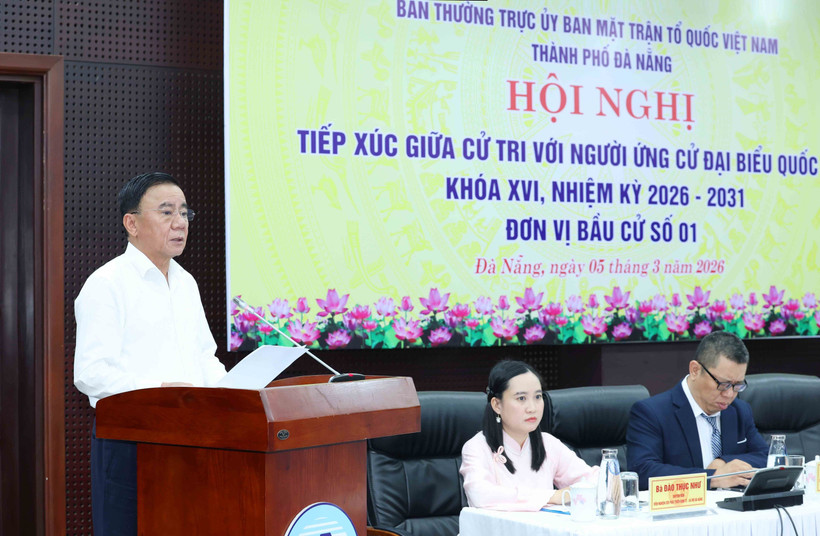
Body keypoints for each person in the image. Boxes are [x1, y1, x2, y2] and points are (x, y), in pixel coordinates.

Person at [74, 172, 227, 535]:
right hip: (131, 440)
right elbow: (91, 372)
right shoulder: (106, 284)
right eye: (166, 212)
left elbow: (205, 356)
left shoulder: (186, 282)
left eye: (185, 213)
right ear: (132, 223)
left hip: (192, 435)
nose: (180, 223)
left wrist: (236, 394)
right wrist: (160, 391)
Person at [626, 331, 768, 490]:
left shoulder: (739, 410)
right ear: (695, 370)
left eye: (737, 385)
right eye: (723, 384)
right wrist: (712, 477)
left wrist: (723, 461)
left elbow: (767, 457)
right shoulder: (652, 413)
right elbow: (642, 472)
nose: (729, 394)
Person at [459, 360, 597, 511]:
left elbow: (592, 479)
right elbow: (480, 495)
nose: (532, 408)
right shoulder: (477, 447)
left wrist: (610, 479)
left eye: (538, 397)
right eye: (521, 398)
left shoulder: (548, 443)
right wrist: (553, 496)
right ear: (497, 405)